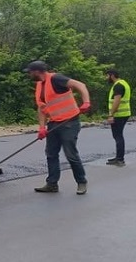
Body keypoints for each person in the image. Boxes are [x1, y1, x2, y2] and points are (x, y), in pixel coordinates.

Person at [23, 60, 90, 195]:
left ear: (37, 71)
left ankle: (81, 182)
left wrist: (86, 102)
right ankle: (52, 184)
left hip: (69, 122)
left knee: (70, 154)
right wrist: (42, 128)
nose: (29, 74)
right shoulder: (39, 85)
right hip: (54, 123)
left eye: (30, 72)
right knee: (51, 153)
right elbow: (42, 108)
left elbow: (80, 85)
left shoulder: (56, 79)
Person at [106, 68, 131, 167]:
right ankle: (118, 157)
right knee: (118, 136)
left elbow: (117, 101)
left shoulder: (118, 86)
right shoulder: (123, 83)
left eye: (107, 75)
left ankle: (120, 159)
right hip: (124, 113)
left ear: (112, 75)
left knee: (118, 136)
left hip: (119, 115)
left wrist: (111, 115)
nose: (106, 78)